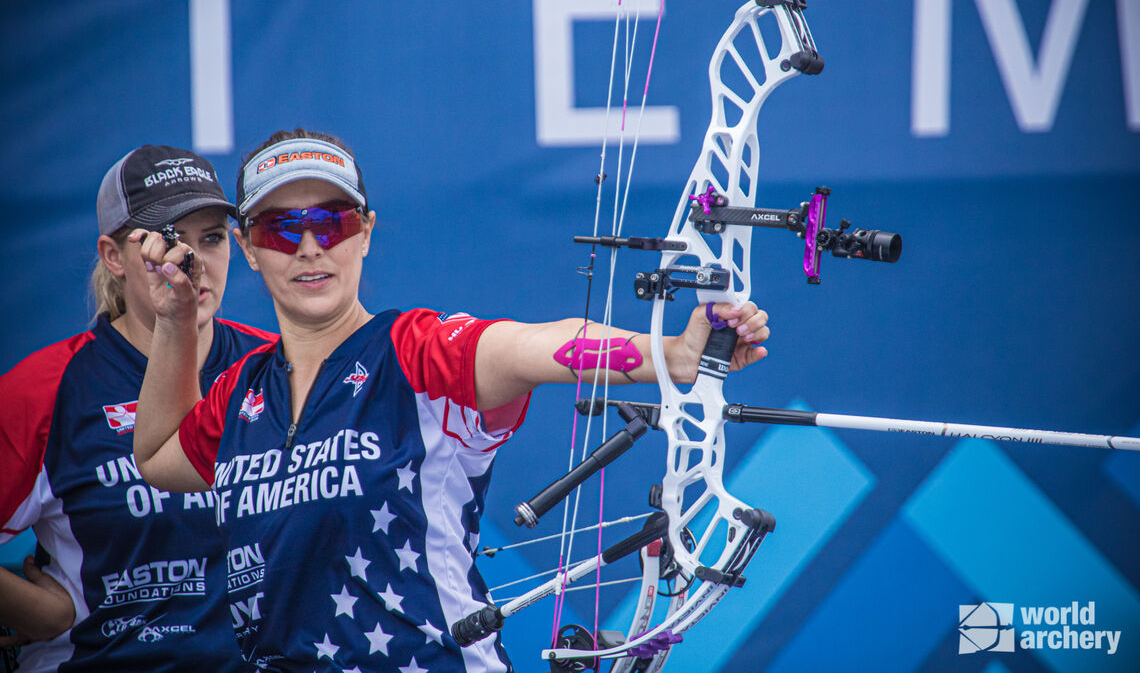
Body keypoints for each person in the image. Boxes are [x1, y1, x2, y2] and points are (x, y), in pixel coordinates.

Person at [132, 129, 771, 673]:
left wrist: (673, 356)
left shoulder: (414, 352)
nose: (310, 246)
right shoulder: (240, 390)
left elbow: (537, 346)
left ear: (365, 233)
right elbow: (159, 454)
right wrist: (174, 320)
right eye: (280, 228)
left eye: (334, 221)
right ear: (247, 246)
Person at [0, 145, 276, 672]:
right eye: (166, 240)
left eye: (212, 238)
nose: (192, 261)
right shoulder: (46, 390)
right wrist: (38, 612)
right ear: (112, 256)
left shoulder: (275, 367)